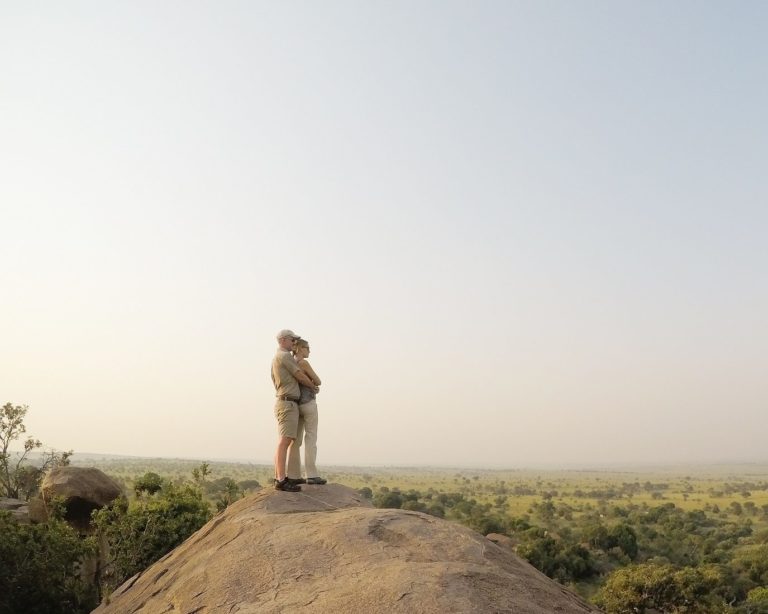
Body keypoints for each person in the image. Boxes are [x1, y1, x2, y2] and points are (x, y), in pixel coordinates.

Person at [271, 329, 318, 492]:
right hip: (287, 402)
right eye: (292, 340)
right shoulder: (284, 356)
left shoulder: (278, 358)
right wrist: (313, 386)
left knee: (286, 440)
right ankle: (281, 480)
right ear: (283, 340)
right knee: (285, 441)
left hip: (286, 401)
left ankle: (282, 477)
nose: (294, 343)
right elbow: (300, 376)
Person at [286, 338, 327, 485]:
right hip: (308, 403)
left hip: (297, 405)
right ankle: (311, 474)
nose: (309, 351)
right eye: (308, 348)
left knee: (295, 441)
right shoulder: (303, 363)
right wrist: (314, 384)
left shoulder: (291, 363)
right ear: (301, 348)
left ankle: (292, 474)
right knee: (311, 438)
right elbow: (318, 380)